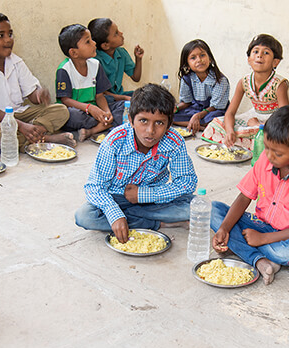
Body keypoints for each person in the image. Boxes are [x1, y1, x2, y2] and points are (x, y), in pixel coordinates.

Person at [211, 106, 289, 285]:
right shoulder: (264, 160)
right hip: (260, 225)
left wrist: (263, 239)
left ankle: (245, 248)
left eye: (278, 153)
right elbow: (244, 197)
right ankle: (260, 261)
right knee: (214, 210)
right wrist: (225, 228)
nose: (269, 156)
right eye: (267, 148)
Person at [75, 84, 197, 243]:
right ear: (131, 120)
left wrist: (143, 195)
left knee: (193, 209)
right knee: (84, 216)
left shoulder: (174, 141)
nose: (150, 131)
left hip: (153, 197)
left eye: (159, 123)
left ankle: (140, 216)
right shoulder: (114, 141)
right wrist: (114, 214)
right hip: (116, 196)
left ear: (168, 125)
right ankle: (157, 222)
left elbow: (187, 182)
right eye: (143, 121)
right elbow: (95, 187)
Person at [0, 12, 74, 149]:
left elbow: (32, 96)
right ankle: (44, 138)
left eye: (10, 34)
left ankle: (31, 137)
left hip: (17, 114)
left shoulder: (15, 61)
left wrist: (39, 94)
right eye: (0, 35)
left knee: (61, 110)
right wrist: (21, 126)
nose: (8, 40)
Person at [201, 34, 289, 150]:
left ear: (275, 62)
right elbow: (230, 113)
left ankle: (257, 141)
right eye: (255, 52)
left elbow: (285, 118)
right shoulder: (244, 82)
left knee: (273, 135)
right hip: (253, 116)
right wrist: (230, 131)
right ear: (249, 59)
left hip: (275, 121)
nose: (259, 56)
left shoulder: (279, 84)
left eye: (266, 53)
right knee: (216, 123)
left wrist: (259, 126)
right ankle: (244, 141)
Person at [56, 24, 125, 142]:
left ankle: (92, 130)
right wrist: (90, 109)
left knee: (124, 106)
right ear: (74, 53)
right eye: (88, 42)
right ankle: (105, 125)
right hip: (78, 111)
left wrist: (107, 112)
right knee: (71, 115)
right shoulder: (64, 69)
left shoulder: (95, 65)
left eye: (92, 39)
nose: (94, 43)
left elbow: (99, 95)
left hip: (95, 109)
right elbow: (65, 100)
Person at [172, 39, 229, 133]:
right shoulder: (187, 79)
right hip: (195, 108)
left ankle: (198, 124)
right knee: (171, 116)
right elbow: (187, 102)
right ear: (187, 65)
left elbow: (216, 106)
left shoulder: (219, 80)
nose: (199, 60)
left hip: (213, 110)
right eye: (193, 58)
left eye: (202, 55)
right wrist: (176, 108)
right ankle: (200, 125)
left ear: (210, 58)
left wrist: (197, 116)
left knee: (216, 119)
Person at [88, 18, 143, 102]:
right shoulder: (95, 60)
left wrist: (138, 59)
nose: (121, 33)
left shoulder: (121, 53)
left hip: (120, 96)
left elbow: (136, 77)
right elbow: (101, 93)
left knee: (146, 96)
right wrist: (124, 98)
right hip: (105, 99)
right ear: (105, 45)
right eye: (116, 34)